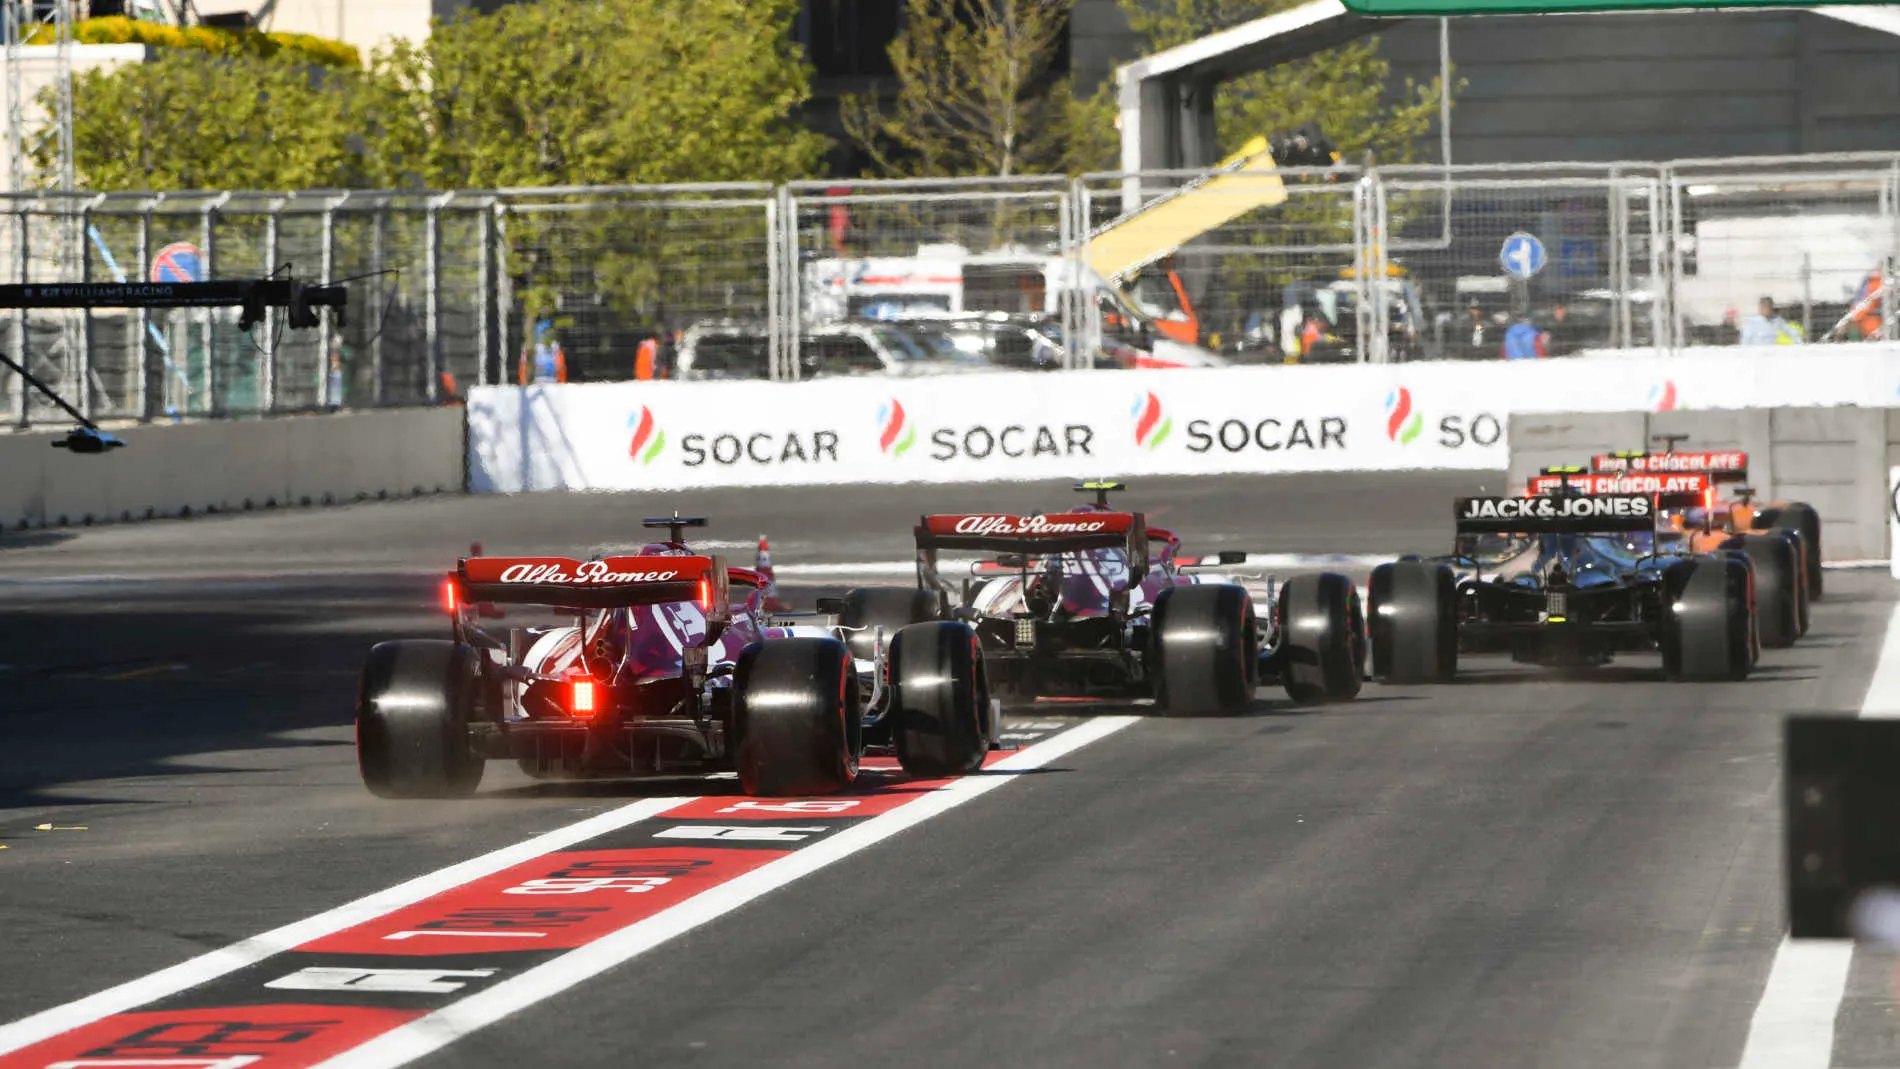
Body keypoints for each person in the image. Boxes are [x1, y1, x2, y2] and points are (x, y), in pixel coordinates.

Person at [518, 320, 567, 384]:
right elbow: (523, 368)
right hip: (539, 382)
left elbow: (560, 368)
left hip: (549, 382)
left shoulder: (554, 346)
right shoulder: (528, 346)